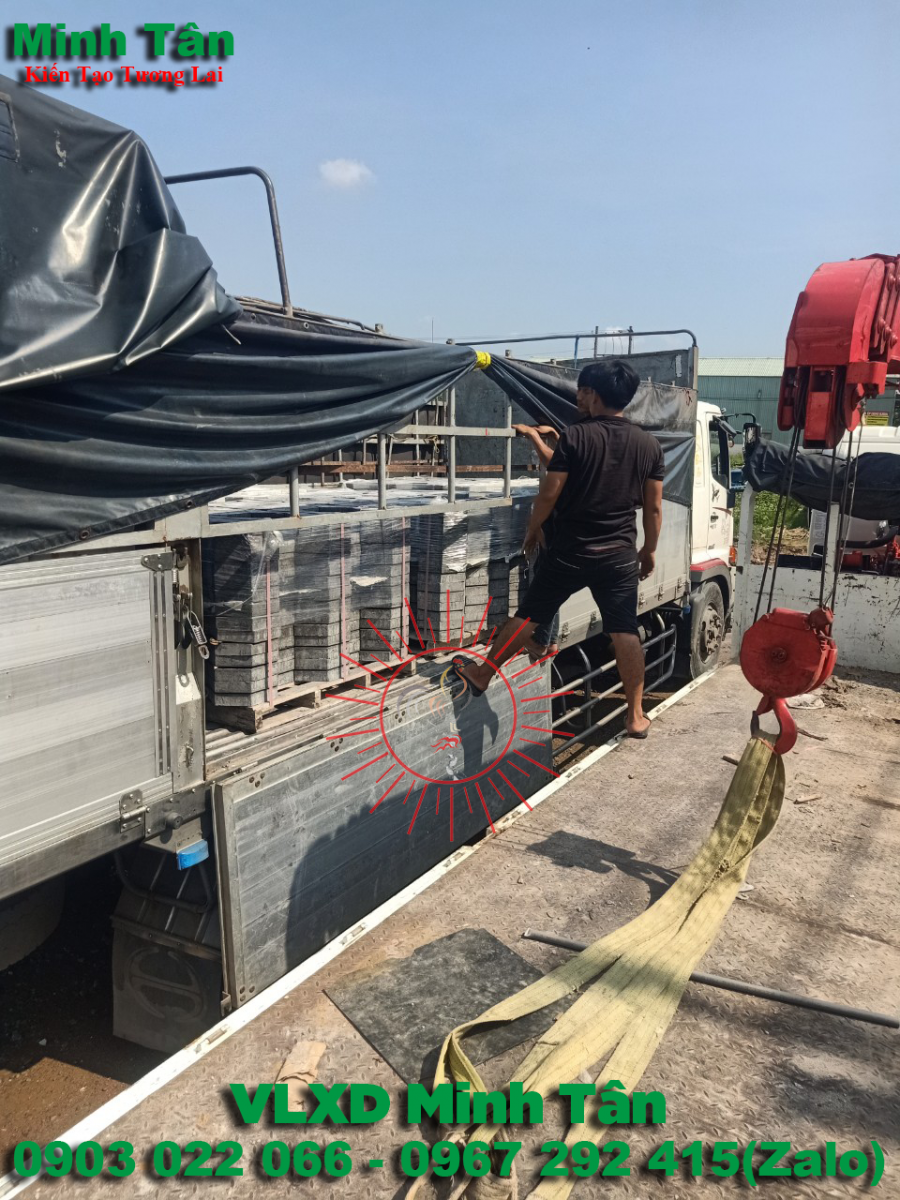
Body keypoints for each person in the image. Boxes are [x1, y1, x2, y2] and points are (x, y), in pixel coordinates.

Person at [454, 358, 664, 739]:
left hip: (571, 550)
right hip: (619, 553)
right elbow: (653, 508)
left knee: (530, 616)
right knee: (624, 630)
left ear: (594, 395)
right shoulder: (649, 445)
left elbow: (549, 494)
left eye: (584, 392)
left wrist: (533, 529)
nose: (581, 398)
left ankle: (482, 675)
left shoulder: (576, 437)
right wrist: (649, 551)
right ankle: (635, 716)